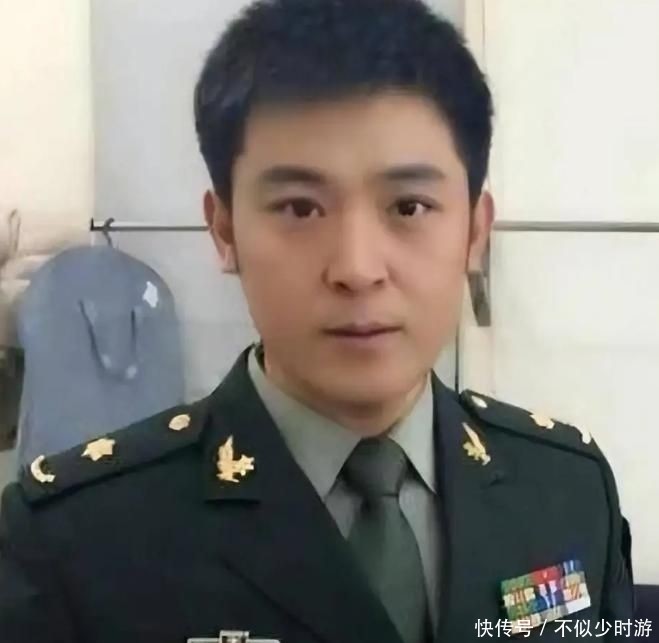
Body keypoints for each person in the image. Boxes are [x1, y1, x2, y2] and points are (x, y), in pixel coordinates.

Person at [0, 0, 634, 641]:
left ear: (474, 231)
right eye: (300, 209)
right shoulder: (77, 539)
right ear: (225, 231)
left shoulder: (567, 493)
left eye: (409, 207)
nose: (357, 269)